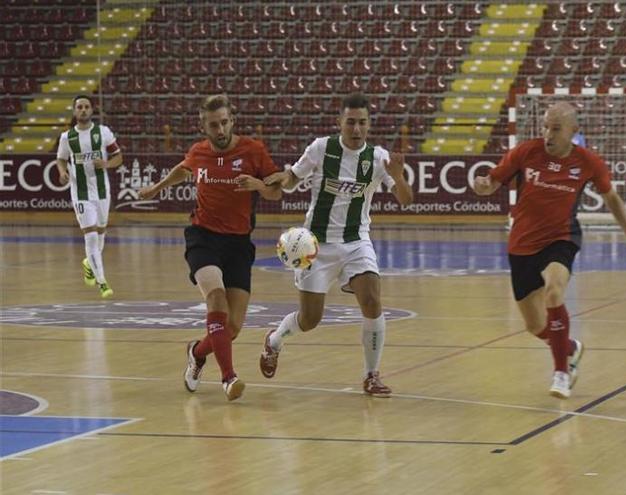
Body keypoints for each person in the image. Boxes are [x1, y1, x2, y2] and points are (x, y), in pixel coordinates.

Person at [472, 102, 626, 399]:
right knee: (534, 325)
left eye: (556, 129)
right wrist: (482, 186)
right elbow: (491, 183)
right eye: (545, 127)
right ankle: (569, 348)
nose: (548, 134)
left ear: (573, 132)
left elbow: (611, 197)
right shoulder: (526, 152)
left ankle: (560, 374)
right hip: (522, 243)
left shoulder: (588, 162)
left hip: (561, 238)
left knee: (554, 292)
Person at [259, 92, 414, 397]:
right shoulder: (321, 148)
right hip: (316, 245)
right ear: (340, 122)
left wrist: (397, 176)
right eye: (351, 122)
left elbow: (406, 200)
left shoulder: (378, 158)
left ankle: (372, 375)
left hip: (357, 241)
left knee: (372, 300)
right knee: (310, 320)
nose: (357, 129)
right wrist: (282, 177)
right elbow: (293, 177)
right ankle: (274, 340)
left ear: (369, 124)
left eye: (363, 123)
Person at [137, 94, 282, 401]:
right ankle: (229, 378)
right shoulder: (199, 151)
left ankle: (197, 352)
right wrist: (155, 189)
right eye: (213, 124)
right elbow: (183, 168)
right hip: (203, 237)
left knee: (231, 328)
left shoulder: (253, 150)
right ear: (203, 125)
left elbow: (275, 192)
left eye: (224, 122)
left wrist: (257, 185)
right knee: (215, 298)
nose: (220, 129)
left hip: (239, 243)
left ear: (233, 121)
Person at [55, 95, 123, 298]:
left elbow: (118, 157)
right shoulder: (67, 137)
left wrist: (106, 164)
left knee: (101, 232)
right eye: (79, 107)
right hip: (80, 193)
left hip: (102, 191)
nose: (83, 110)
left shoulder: (103, 133)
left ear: (92, 110)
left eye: (86, 106)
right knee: (91, 235)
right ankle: (102, 282)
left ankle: (89, 262)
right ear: (74, 111)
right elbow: (60, 159)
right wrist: (62, 172)